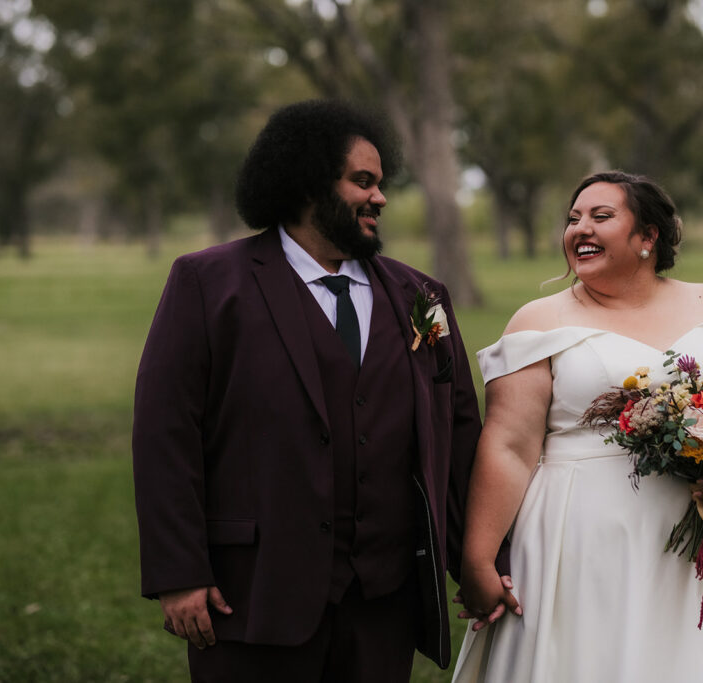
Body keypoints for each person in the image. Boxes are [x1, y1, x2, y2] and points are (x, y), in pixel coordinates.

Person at [132, 99, 485, 682]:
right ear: (306, 184)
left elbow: (461, 435)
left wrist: (480, 559)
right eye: (362, 182)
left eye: (381, 183)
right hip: (252, 595)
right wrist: (179, 572)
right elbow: (165, 434)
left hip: (383, 600)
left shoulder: (422, 296)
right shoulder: (208, 284)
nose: (381, 198)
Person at [452, 171, 703, 682]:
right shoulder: (538, 321)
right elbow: (509, 447)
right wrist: (478, 559)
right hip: (583, 535)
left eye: (601, 217)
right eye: (573, 219)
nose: (581, 228)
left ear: (649, 237)